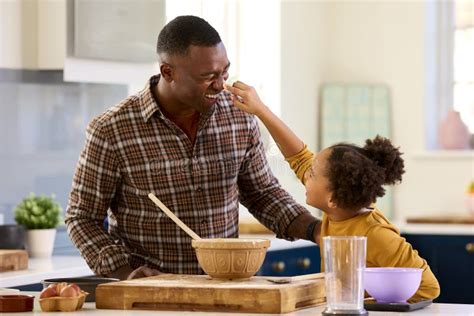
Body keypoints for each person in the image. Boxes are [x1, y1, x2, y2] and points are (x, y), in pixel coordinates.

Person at [65, 15, 321, 280]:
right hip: (150, 298)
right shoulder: (112, 130)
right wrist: (124, 273)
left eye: (224, 72)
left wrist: (316, 230)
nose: (220, 85)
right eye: (208, 76)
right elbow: (81, 218)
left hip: (226, 288)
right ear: (168, 72)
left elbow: (262, 194)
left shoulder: (239, 117)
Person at [225, 81, 440, 301]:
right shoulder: (340, 210)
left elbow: (428, 288)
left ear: (333, 199)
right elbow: (298, 156)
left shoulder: (377, 234)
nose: (306, 173)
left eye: (313, 173)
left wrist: (360, 301)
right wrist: (261, 110)